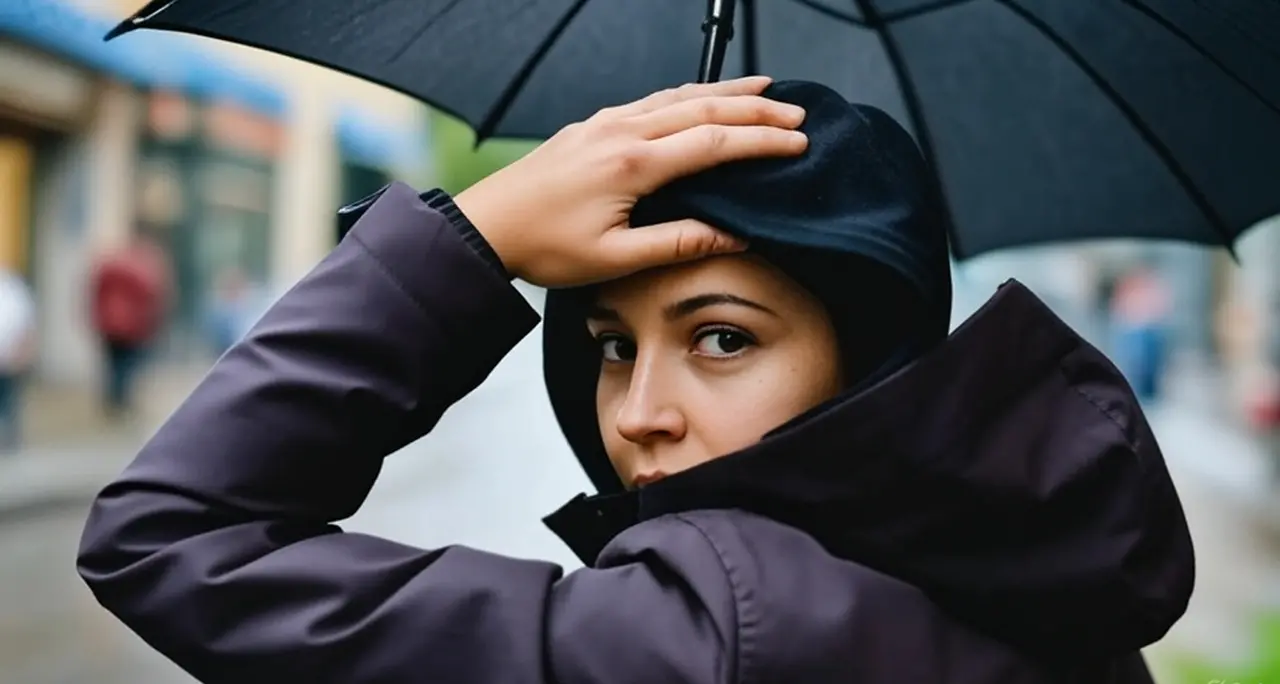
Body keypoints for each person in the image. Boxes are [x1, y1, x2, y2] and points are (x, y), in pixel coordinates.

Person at [77, 78, 1192, 683]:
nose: (640, 416)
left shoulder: (703, 640)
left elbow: (171, 536)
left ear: (872, 370)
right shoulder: (1063, 605)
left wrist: (480, 232)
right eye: (611, 346)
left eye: (721, 340)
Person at [88, 232, 171, 419]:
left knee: (113, 364)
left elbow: (95, 293)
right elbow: (153, 296)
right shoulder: (143, 270)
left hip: (109, 325)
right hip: (133, 328)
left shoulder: (108, 267)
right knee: (127, 365)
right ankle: (121, 401)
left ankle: (113, 400)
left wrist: (97, 319)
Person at [0, 265, 35, 452]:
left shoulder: (12, 288)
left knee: (10, 400)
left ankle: (10, 439)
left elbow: (26, 322)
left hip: (9, 357)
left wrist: (24, 351)